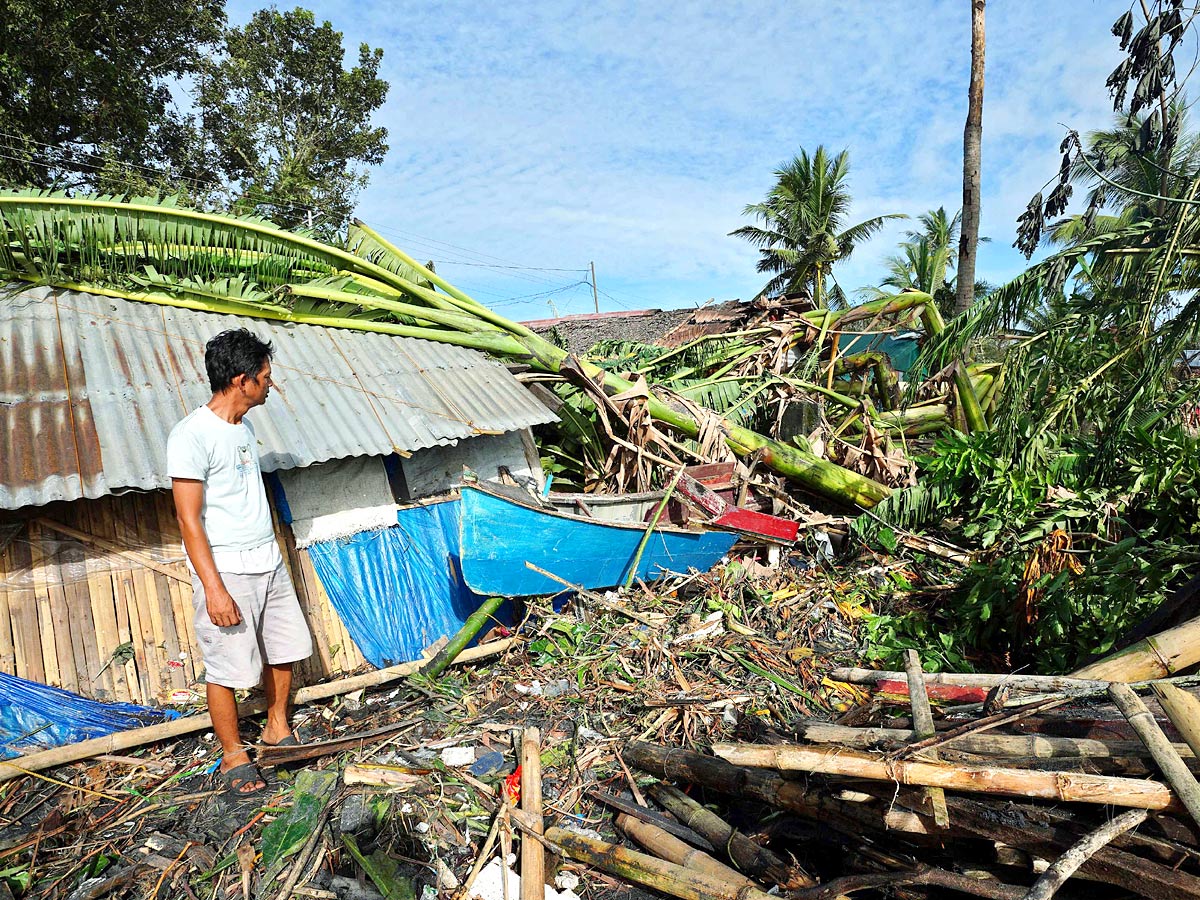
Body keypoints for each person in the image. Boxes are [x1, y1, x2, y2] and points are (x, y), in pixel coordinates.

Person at [167, 328, 314, 796]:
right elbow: (189, 521)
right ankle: (233, 754)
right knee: (227, 667)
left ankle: (276, 728)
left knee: (286, 647)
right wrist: (213, 588)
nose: (271, 384)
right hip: (227, 570)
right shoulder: (191, 435)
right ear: (241, 380)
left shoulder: (244, 428)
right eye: (265, 377)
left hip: (267, 561)